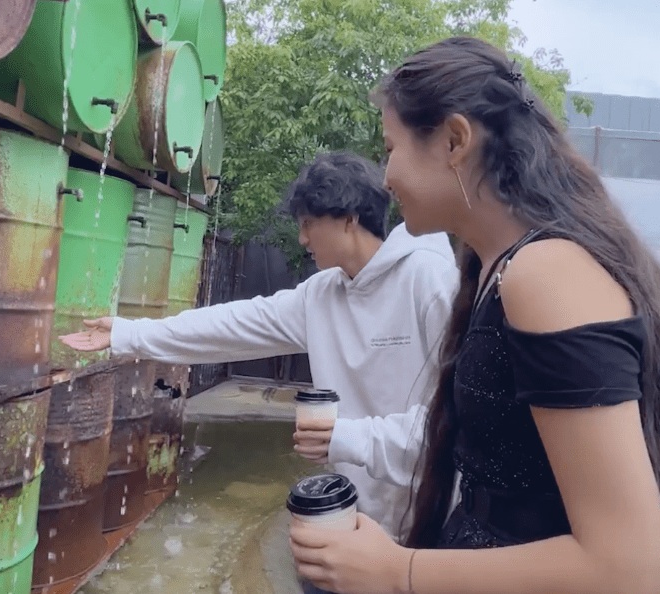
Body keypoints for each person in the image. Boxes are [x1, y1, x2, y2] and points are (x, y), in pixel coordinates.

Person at [288, 37, 660, 594]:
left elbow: (634, 571)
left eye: (392, 148)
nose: (384, 177)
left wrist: (396, 572)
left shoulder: (547, 273)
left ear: (455, 140)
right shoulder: (493, 269)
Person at [59, 151, 460, 546]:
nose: (302, 238)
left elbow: (456, 425)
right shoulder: (321, 295)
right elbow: (230, 326)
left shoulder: (430, 279)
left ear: (349, 219)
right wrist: (127, 334)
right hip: (354, 521)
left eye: (308, 224)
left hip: (432, 525)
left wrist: (344, 437)